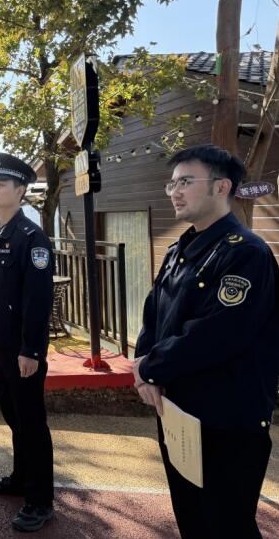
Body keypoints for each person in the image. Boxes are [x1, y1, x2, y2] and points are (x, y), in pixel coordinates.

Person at [134, 144, 279, 538]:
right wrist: (143, 367)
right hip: (179, 414)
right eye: (172, 184)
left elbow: (219, 334)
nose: (175, 191)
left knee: (227, 526)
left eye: (185, 181)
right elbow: (153, 314)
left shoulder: (247, 253)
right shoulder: (179, 250)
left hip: (226, 422)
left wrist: (150, 367)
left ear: (221, 187)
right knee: (192, 520)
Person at [0, 153, 55, 532]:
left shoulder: (31, 238)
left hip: (22, 349)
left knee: (31, 423)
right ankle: (22, 477)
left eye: (1, 184)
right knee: (14, 417)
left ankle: (40, 500)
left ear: (20, 191)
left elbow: (37, 301)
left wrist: (32, 350)